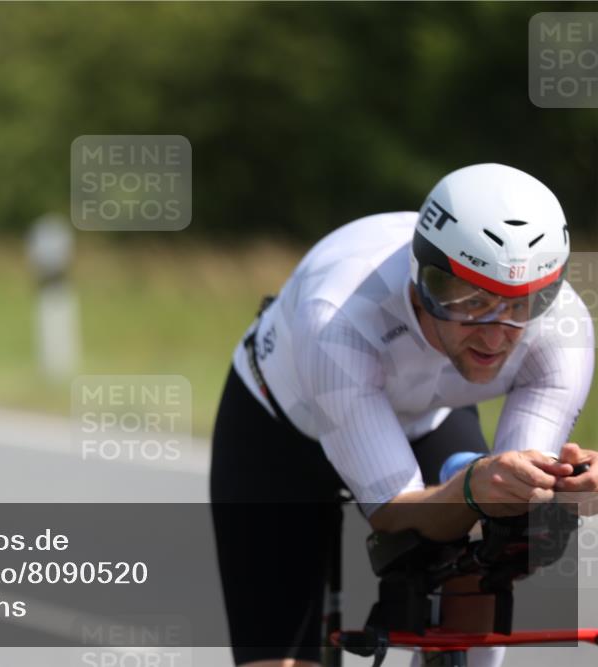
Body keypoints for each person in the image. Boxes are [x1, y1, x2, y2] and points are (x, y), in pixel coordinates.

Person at [209, 163, 595, 667]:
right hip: (282, 431)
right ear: (423, 278)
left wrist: (564, 491)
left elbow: (513, 506)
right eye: (471, 301)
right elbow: (392, 508)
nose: (494, 335)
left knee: (483, 567)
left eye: (521, 305)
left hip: (423, 419)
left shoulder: (562, 330)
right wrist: (472, 487)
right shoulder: (339, 313)